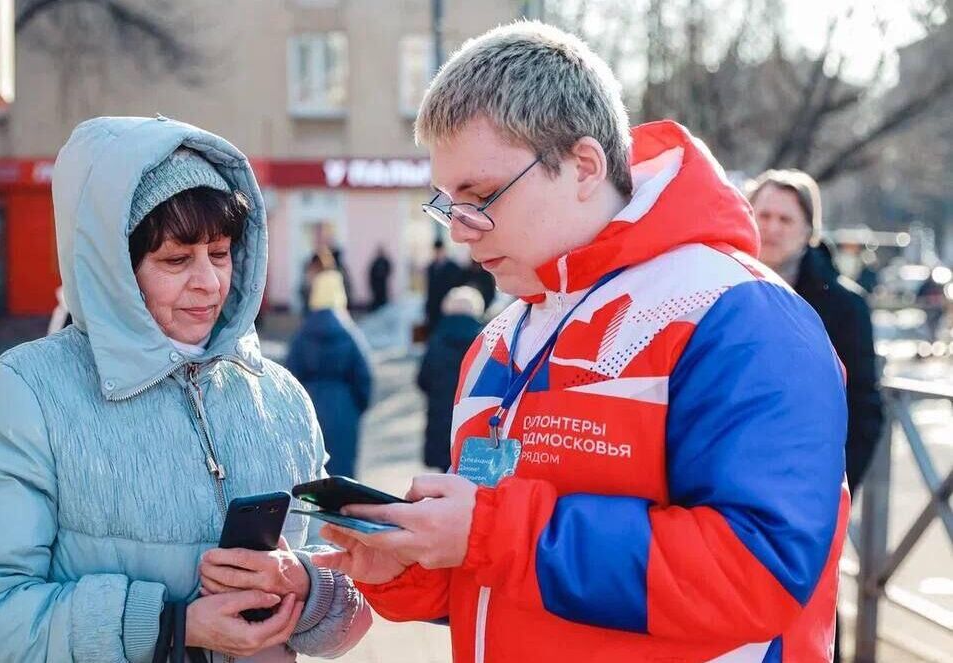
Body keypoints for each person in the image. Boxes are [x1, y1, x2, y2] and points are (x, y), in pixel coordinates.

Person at [313, 22, 848, 662]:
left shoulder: (737, 314)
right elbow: (498, 581)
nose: (462, 231)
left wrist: (489, 530)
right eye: (449, 204)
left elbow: (759, 572)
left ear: (584, 166)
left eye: (482, 196)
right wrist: (405, 567)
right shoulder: (499, 340)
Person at [0, 117, 370, 663]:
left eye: (222, 253)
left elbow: (352, 588)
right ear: (113, 270)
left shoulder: (277, 395)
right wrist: (170, 626)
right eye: (176, 260)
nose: (208, 282)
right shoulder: (25, 395)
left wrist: (304, 585)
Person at [750, 169, 884, 490]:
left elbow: (863, 409)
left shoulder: (846, 307)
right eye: (764, 215)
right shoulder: (713, 286)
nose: (771, 228)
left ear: (809, 230)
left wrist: (829, 493)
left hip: (804, 487)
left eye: (785, 220)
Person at [286, 270, 373, 478]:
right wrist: (354, 407)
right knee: (343, 476)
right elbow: (364, 378)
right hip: (344, 409)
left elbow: (289, 378)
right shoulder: (351, 334)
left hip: (309, 408)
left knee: (311, 475)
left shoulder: (301, 335)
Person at [417, 286, 485, 472]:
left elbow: (423, 379)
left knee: (444, 469)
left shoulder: (437, 339)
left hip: (441, 416)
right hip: (474, 419)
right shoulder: (485, 339)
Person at [424, 239, 463, 333]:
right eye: (436, 251)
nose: (438, 253)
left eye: (440, 251)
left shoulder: (453, 267)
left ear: (444, 250)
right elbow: (429, 289)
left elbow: (458, 287)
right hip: (433, 306)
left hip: (448, 305)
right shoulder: (431, 267)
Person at [368, 246, 393, 311]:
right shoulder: (375, 262)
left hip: (382, 283)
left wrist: (383, 275)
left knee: (383, 298)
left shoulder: (385, 261)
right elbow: (371, 272)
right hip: (376, 283)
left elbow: (389, 269)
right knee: (377, 298)